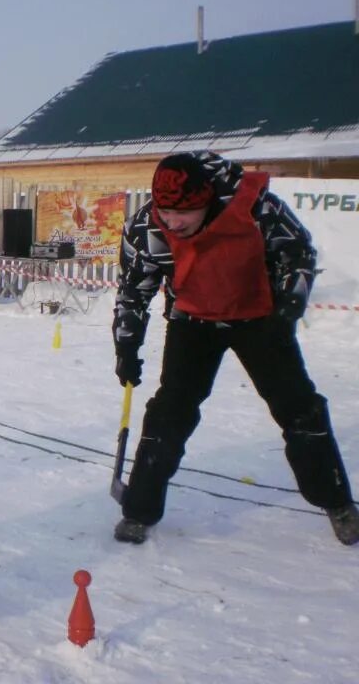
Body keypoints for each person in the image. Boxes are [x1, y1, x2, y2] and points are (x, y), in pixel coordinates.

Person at [112, 151, 358, 546]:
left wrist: (288, 306)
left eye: (183, 214)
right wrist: (127, 345)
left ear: (205, 201)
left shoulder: (255, 207)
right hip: (191, 322)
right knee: (169, 413)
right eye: (166, 212)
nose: (173, 222)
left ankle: (337, 503)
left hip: (259, 320)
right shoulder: (147, 226)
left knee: (300, 409)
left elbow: (298, 253)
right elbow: (133, 291)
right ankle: (139, 511)